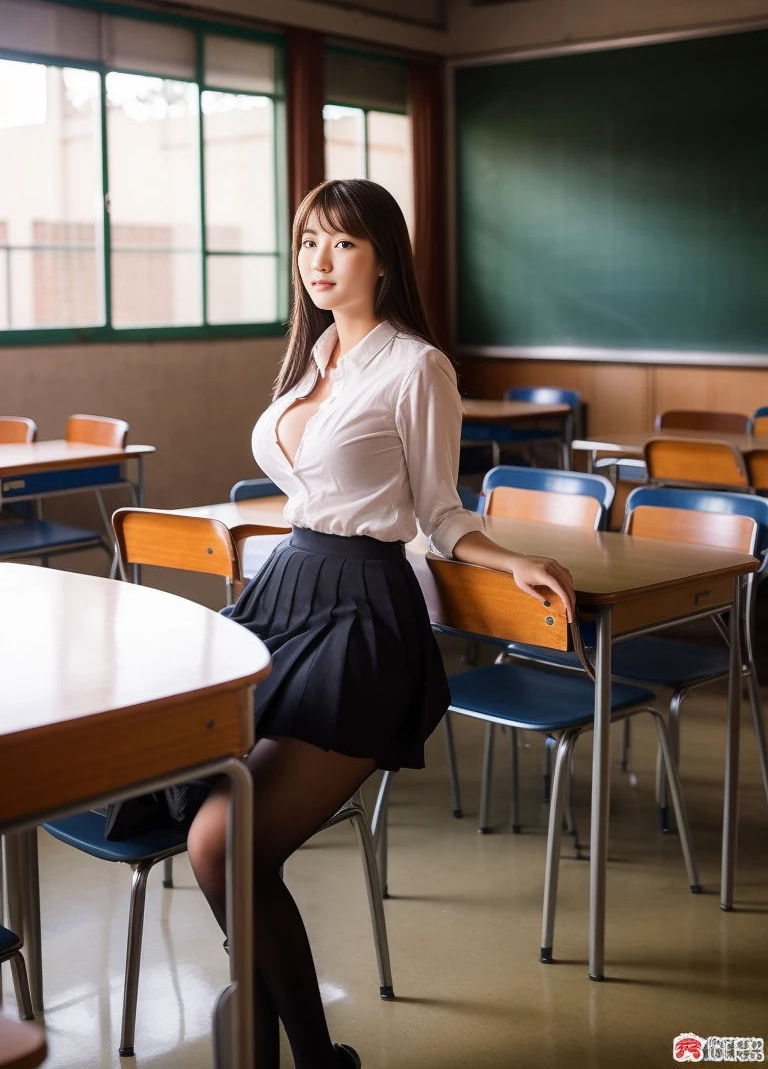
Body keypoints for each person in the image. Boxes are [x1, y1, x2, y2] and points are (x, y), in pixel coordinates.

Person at [187, 179, 575, 1069]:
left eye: (343, 245)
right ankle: (284, 1046)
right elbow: (306, 490)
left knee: (224, 841)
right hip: (286, 593)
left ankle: (317, 1058)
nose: (319, 263)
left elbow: (440, 511)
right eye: (307, 244)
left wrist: (510, 560)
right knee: (198, 803)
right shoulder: (314, 355)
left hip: (362, 618)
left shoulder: (417, 366)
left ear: (384, 256)